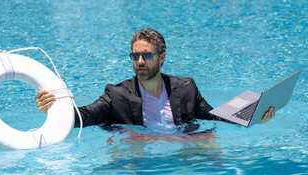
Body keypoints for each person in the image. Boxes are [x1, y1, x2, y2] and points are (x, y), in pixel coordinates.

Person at [36, 28, 275, 129]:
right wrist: (54, 110)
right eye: (135, 55)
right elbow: (85, 116)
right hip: (139, 147)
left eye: (146, 56)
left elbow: (212, 115)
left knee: (209, 149)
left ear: (161, 57)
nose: (139, 61)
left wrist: (254, 118)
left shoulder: (187, 87)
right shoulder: (116, 94)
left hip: (180, 145)